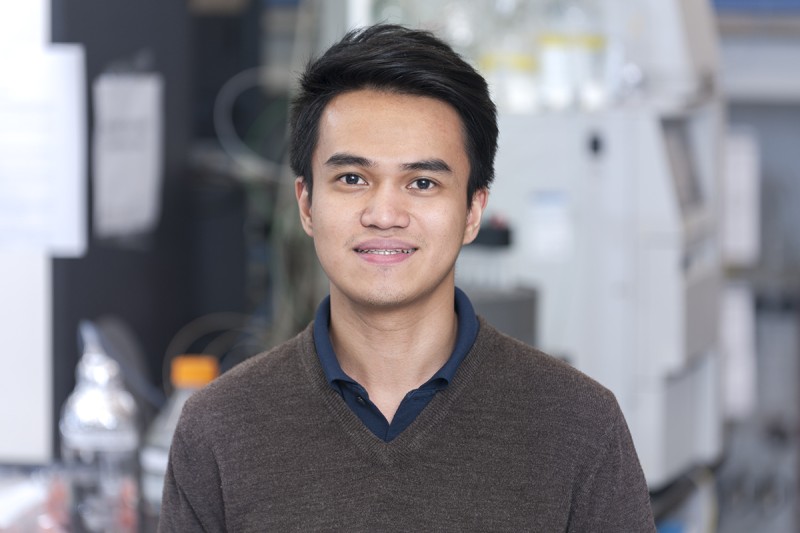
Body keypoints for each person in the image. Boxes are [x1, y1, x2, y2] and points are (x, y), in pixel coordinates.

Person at [159, 24, 656, 532]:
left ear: (473, 211)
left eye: (422, 182)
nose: (384, 214)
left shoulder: (578, 425)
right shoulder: (219, 428)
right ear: (306, 203)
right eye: (352, 178)